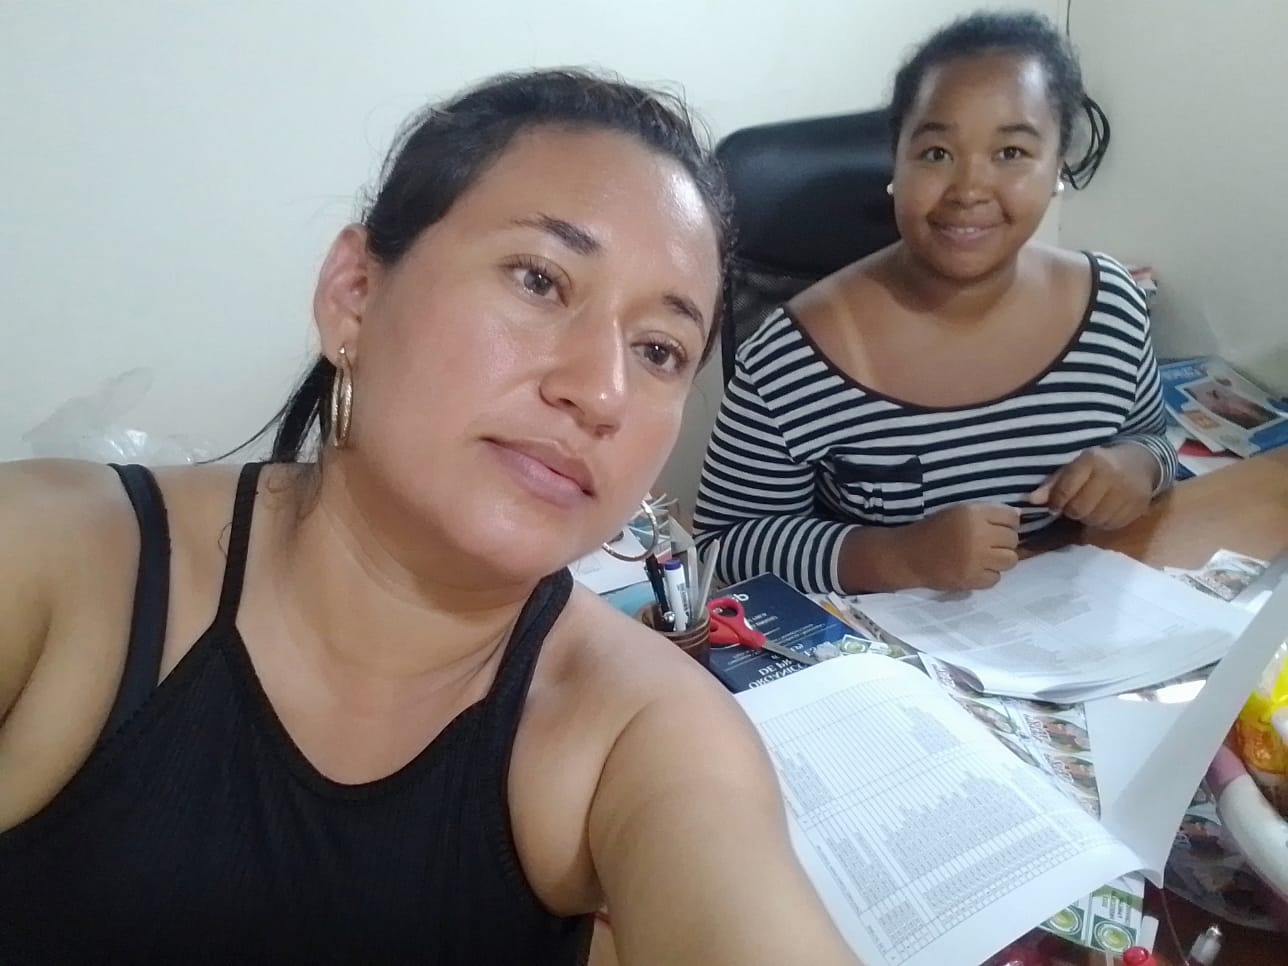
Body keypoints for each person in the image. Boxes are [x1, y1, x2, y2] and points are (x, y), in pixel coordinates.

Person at [0, 70, 859, 965]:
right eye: (540, 279)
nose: (603, 391)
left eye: (658, 350)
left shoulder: (644, 733)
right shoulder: (55, 563)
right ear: (355, 293)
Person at [693, 11, 1177, 595]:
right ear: (895, 163)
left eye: (1012, 152)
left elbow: (1152, 440)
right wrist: (899, 557)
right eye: (937, 153)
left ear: (1057, 168)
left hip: (1070, 619)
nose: (969, 189)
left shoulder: (1114, 308)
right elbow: (724, 542)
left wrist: (1140, 467)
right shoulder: (792, 356)